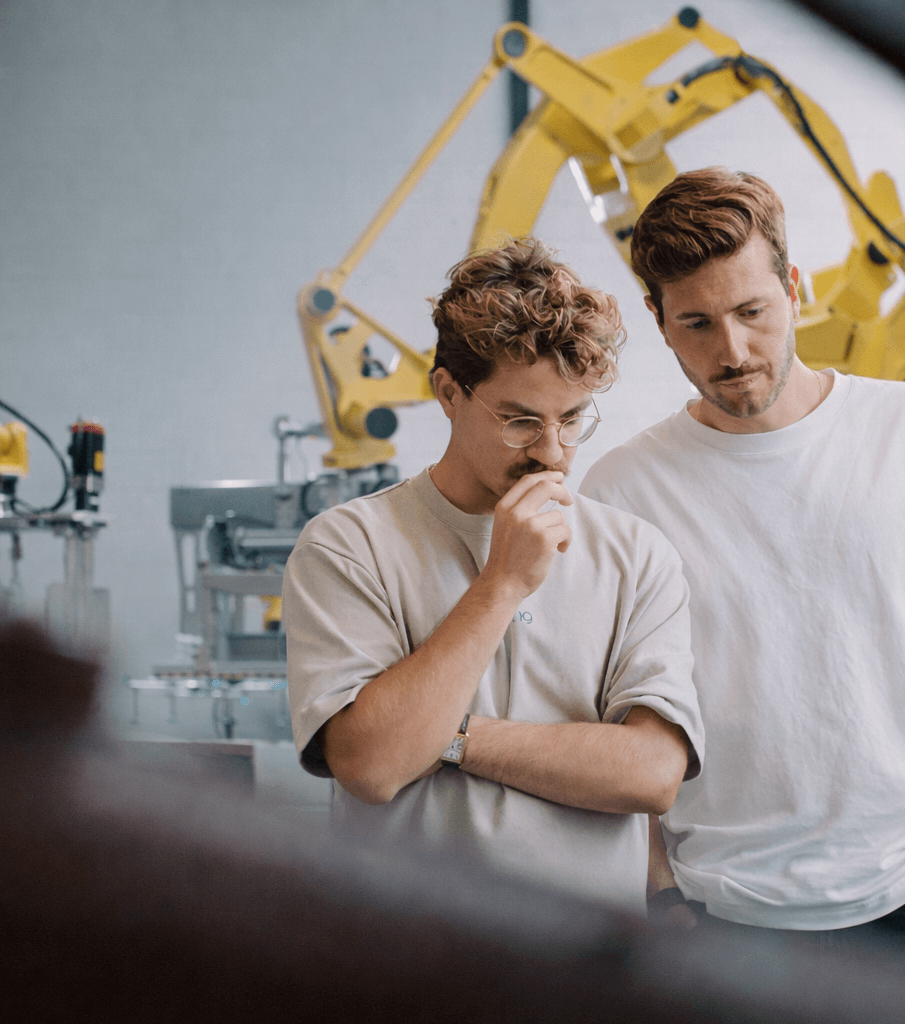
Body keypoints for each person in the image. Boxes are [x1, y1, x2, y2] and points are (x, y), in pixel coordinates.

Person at [580, 168, 905, 953]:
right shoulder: (622, 490)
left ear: (794, 285)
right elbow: (601, 721)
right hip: (720, 924)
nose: (734, 349)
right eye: (698, 324)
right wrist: (664, 894)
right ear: (658, 319)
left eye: (752, 311)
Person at [282, 238, 704, 911]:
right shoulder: (347, 546)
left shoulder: (637, 554)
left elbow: (652, 774)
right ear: (448, 392)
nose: (553, 452)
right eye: (519, 421)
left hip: (585, 970)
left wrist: (449, 737)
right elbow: (372, 767)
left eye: (572, 419)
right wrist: (502, 583)